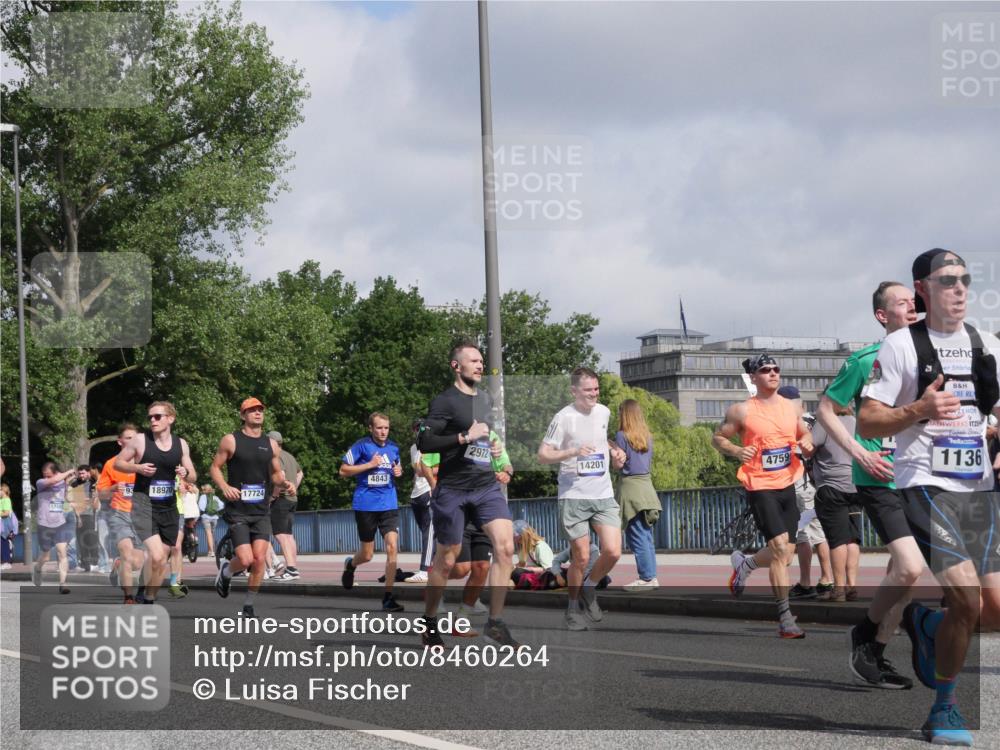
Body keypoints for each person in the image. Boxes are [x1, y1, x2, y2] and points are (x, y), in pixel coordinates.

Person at [859, 248, 1000, 745]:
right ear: (922, 288)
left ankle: (927, 622)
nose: (959, 288)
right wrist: (918, 408)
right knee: (967, 598)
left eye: (964, 279)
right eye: (946, 280)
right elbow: (868, 420)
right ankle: (944, 709)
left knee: (993, 608)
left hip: (978, 488)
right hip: (925, 483)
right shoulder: (901, 346)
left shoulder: (988, 343)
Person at [818, 280, 922, 690]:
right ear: (883, 315)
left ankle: (873, 651)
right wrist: (858, 453)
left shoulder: (930, 357)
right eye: (902, 303)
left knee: (906, 574)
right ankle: (865, 633)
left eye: (915, 302)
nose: (912, 308)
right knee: (910, 566)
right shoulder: (865, 360)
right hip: (878, 476)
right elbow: (826, 409)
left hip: (919, 475)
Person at [417, 340, 519, 648]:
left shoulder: (485, 399)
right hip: (453, 489)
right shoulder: (444, 402)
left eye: (480, 361)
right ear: (455, 366)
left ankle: (496, 624)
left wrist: (492, 446)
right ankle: (430, 621)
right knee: (446, 561)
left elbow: (483, 437)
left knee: (504, 549)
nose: (479, 365)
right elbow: (425, 442)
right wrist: (464, 436)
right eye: (472, 360)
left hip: (485, 485)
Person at [712, 353, 814, 638]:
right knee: (780, 548)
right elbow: (718, 438)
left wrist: (806, 441)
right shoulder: (741, 410)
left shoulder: (790, 407)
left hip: (787, 484)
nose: (773, 373)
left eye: (776, 369)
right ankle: (785, 618)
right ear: (753, 377)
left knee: (786, 555)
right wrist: (735, 450)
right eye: (766, 370)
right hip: (759, 485)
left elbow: (804, 433)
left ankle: (745, 565)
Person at [538, 366, 626, 631]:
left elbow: (602, 439)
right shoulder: (563, 418)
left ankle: (589, 587)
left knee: (613, 550)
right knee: (582, 557)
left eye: (596, 389)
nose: (594, 394)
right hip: (573, 495)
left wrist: (616, 451)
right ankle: (572, 609)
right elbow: (543, 455)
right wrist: (573, 451)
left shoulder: (604, 412)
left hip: (602, 493)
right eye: (588, 390)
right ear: (574, 391)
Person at [211, 397, 291, 618]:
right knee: (245, 559)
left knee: (259, 560)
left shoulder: (271, 444)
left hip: (261, 510)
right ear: (242, 415)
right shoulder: (231, 440)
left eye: (260, 410)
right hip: (238, 510)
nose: (257, 413)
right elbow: (215, 468)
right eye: (252, 410)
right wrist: (224, 486)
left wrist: (285, 483)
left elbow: (275, 474)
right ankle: (226, 572)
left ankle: (248, 604)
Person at [115, 401, 197, 604]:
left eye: (157, 416)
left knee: (161, 560)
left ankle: (148, 595)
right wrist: (138, 469)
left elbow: (193, 475)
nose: (152, 420)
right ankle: (148, 601)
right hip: (144, 506)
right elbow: (118, 463)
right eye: (150, 417)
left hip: (169, 507)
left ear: (170, 418)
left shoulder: (181, 444)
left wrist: (186, 473)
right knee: (158, 556)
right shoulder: (140, 441)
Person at [339, 412, 405, 613]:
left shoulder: (394, 448)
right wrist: (369, 465)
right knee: (367, 554)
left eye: (386, 428)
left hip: (389, 504)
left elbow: (397, 467)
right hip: (366, 505)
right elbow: (343, 471)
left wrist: (398, 472)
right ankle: (351, 564)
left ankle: (388, 597)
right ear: (371, 428)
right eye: (379, 428)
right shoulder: (361, 446)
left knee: (392, 547)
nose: (383, 431)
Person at [778, 387, 834, 600]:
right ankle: (827, 578)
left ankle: (805, 582)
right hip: (818, 480)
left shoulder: (791, 423)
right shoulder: (815, 420)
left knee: (802, 534)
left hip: (798, 481)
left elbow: (795, 452)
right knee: (819, 534)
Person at [811, 400, 862, 602]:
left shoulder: (824, 423)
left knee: (837, 540)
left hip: (831, 487)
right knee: (852, 538)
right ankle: (852, 586)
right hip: (857, 486)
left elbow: (808, 448)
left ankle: (838, 590)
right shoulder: (857, 422)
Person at [614, 399, 661, 592]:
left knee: (637, 536)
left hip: (631, 489)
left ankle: (646, 578)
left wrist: (611, 451)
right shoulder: (647, 437)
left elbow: (618, 464)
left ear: (624, 415)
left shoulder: (621, 435)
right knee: (646, 536)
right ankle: (651, 576)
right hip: (647, 489)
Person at [97, 423, 144, 603]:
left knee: (137, 562)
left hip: (141, 515)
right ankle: (128, 597)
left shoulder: (144, 462)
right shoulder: (111, 464)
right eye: (129, 438)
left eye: (136, 438)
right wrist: (115, 487)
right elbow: (101, 493)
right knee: (126, 552)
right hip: (119, 513)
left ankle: (117, 565)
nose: (133, 441)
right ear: (120, 442)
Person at [31, 463, 79, 593]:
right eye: (44, 473)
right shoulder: (41, 483)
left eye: (48, 473)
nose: (45, 475)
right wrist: (68, 471)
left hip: (59, 523)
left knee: (61, 552)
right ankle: (38, 569)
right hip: (44, 524)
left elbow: (65, 496)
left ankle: (63, 584)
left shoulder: (62, 484)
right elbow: (54, 480)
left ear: (56, 472)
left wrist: (69, 481)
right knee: (45, 556)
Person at [268, 431, 303, 581]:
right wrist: (294, 486)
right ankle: (293, 566)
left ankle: (291, 569)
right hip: (292, 499)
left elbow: (279, 477)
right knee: (288, 535)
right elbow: (300, 473)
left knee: (280, 534)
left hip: (281, 499)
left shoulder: (276, 457)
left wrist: (273, 496)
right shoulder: (289, 455)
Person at [409, 420, 436, 582]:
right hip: (416, 494)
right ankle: (431, 564)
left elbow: (428, 468)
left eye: (422, 428)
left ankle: (424, 570)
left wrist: (428, 469)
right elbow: (418, 470)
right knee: (428, 533)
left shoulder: (434, 445)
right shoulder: (414, 448)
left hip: (430, 491)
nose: (419, 431)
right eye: (417, 428)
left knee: (429, 532)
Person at [198, 483, 222, 557]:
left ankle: (211, 551)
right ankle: (210, 551)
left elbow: (201, 507)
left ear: (204, 490)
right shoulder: (215, 497)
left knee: (208, 534)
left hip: (206, 517)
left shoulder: (203, 496)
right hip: (215, 518)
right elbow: (221, 505)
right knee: (211, 534)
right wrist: (214, 510)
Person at [1, 483, 18, 568]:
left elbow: (6, 513)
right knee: (3, 543)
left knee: (3, 542)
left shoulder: (6, 500)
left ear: (4, 491)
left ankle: (6, 562)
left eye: (0, 490)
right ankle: (5, 561)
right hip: (3, 524)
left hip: (5, 524)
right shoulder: (1, 500)